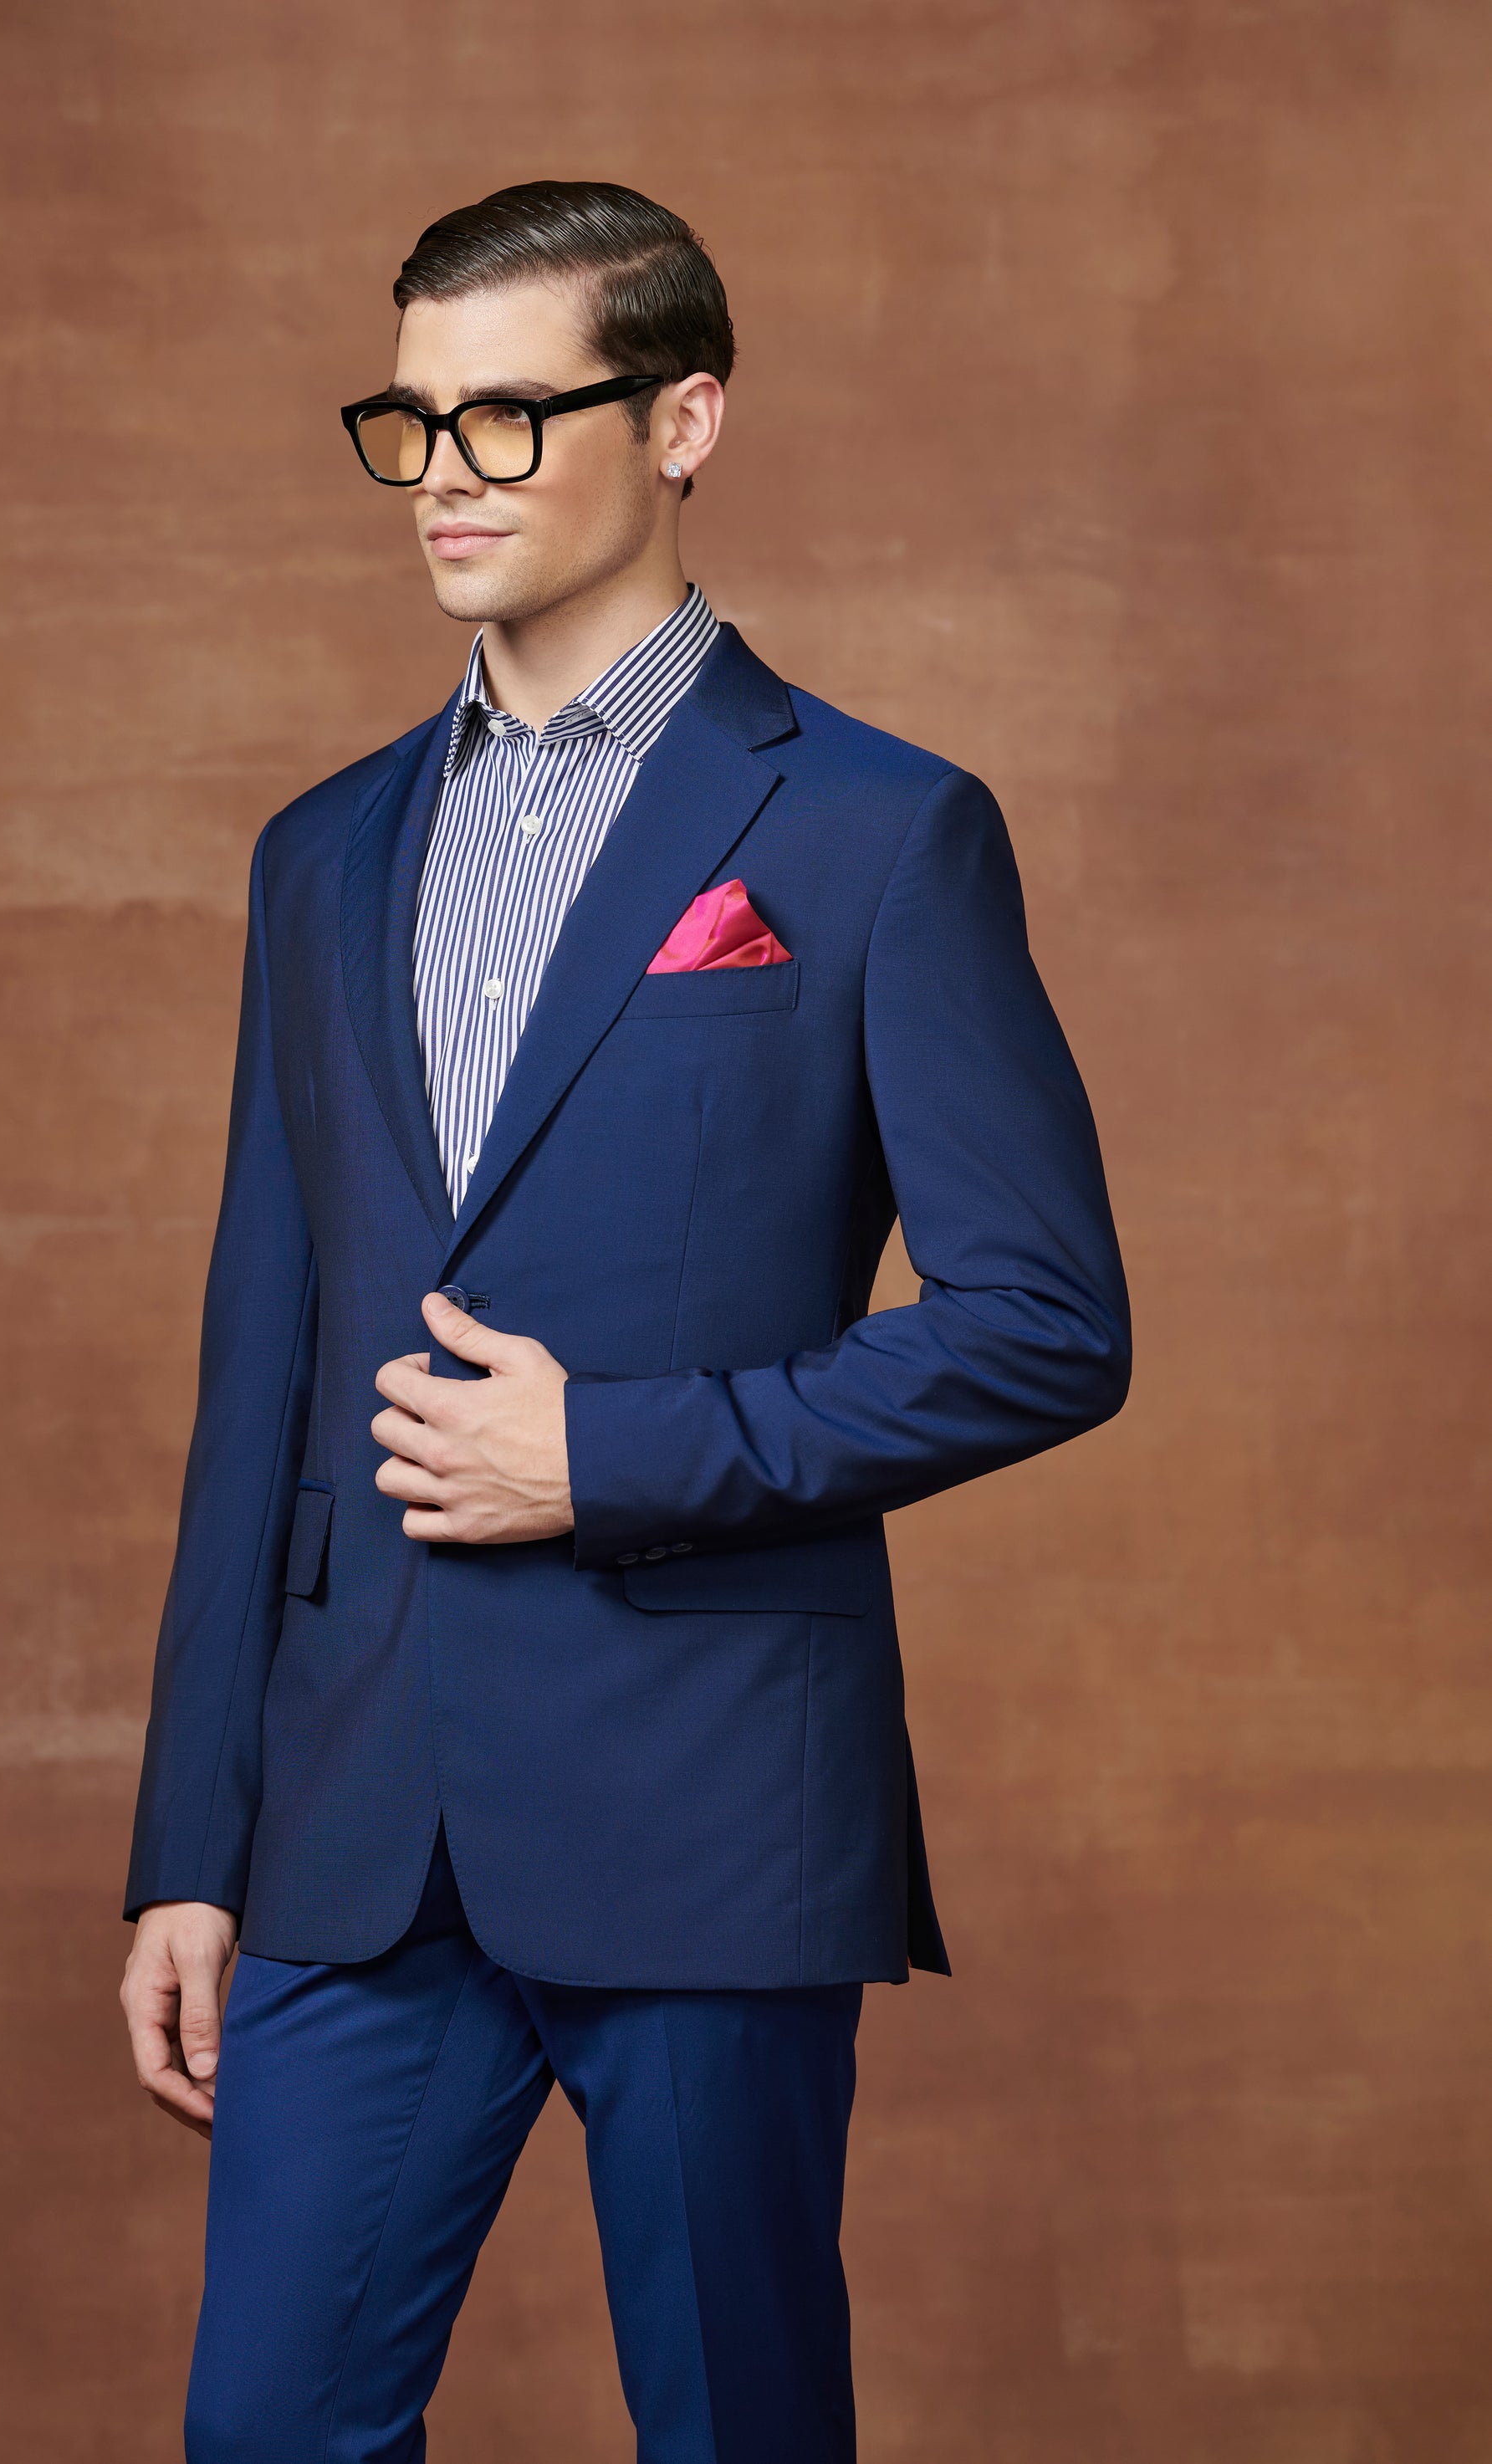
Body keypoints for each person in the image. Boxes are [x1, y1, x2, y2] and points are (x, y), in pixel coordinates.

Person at [119, 179, 1130, 2463]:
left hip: (709, 1804)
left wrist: (613, 1454)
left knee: (736, 2433)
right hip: (355, 1823)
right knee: (268, 2427)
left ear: (685, 420)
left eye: (510, 415)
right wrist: (192, 1839)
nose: (444, 473)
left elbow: (1047, 1319)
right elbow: (260, 1370)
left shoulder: (875, 830)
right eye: (411, 420)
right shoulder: (320, 853)